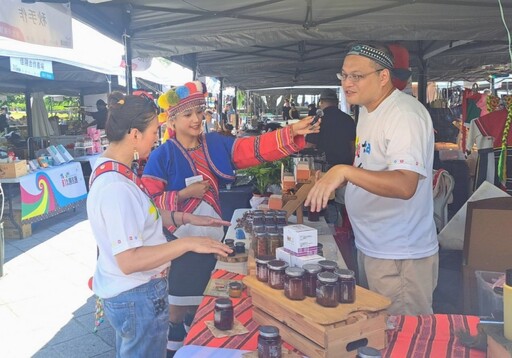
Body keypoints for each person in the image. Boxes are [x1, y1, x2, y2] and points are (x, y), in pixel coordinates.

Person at [141, 80, 320, 353]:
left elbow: (253, 148)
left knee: (205, 301)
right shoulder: (161, 156)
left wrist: (289, 132)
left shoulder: (213, 144)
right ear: (172, 121)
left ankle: (196, 341)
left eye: (199, 112)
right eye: (188, 115)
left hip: (212, 238)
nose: (197, 119)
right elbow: (148, 206)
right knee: (177, 308)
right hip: (177, 244)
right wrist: (184, 193)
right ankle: (175, 345)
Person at [87, 91, 232, 357]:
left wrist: (186, 218)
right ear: (134, 134)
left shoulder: (113, 169)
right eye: (154, 131)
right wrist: (189, 243)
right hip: (136, 296)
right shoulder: (116, 188)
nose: (157, 138)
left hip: (133, 293)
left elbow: (144, 216)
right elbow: (130, 260)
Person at [305, 43, 438, 316]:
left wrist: (345, 171)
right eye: (343, 75)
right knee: (377, 329)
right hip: (373, 245)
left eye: (357, 76)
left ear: (383, 76)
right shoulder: (366, 110)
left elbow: (405, 184)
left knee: (402, 339)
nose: (347, 83)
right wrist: (336, 180)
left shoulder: (403, 114)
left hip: (400, 255)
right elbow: (371, 165)